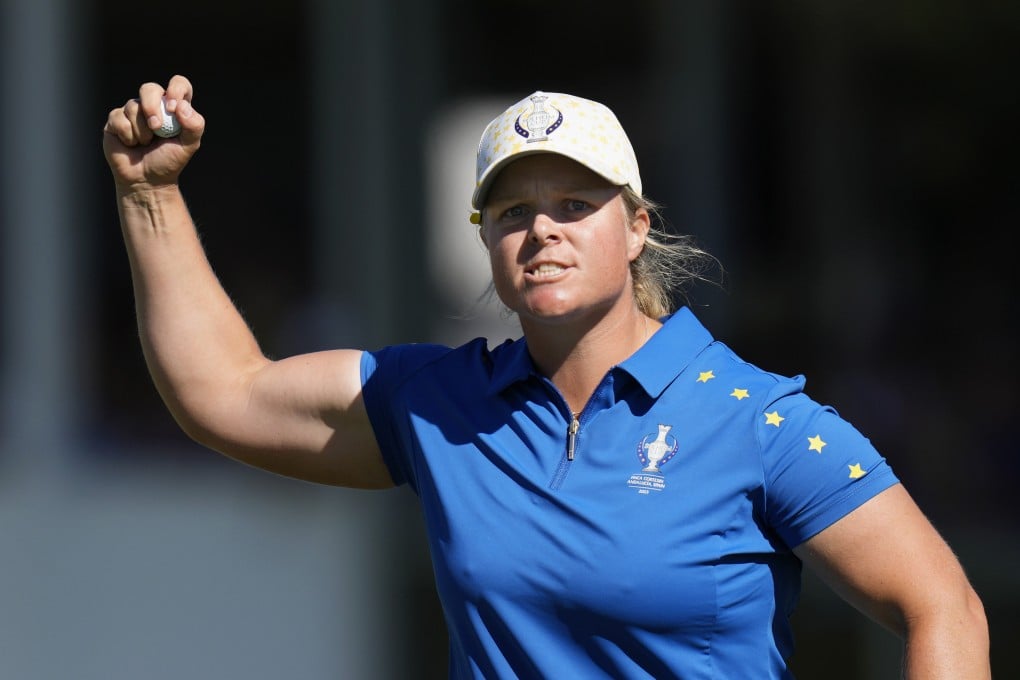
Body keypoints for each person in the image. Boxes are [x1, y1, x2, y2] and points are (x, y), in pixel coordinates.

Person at [102, 75, 990, 679]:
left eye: (576, 204)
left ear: (637, 227)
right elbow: (222, 391)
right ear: (487, 240)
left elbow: (940, 605)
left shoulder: (756, 420)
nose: (543, 232)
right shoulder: (438, 404)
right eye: (514, 211)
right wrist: (151, 196)